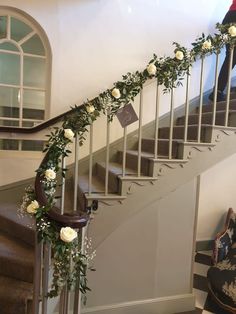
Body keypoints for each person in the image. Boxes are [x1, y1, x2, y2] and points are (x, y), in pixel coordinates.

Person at [209, 0, 236, 102]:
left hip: (229, 17)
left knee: (231, 57)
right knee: (231, 58)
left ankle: (217, 92)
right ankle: (217, 92)